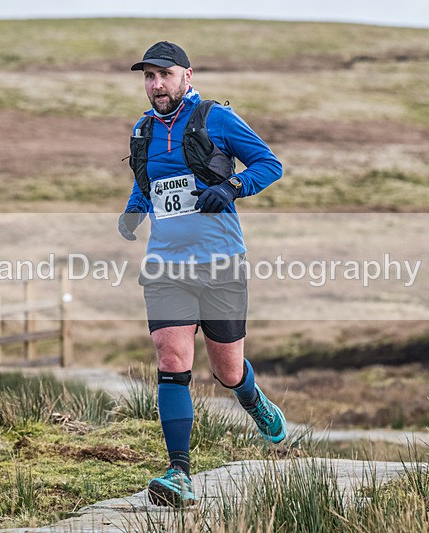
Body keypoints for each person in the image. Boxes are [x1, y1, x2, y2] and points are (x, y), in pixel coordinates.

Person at [118, 41, 287, 508]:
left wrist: (232, 187)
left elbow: (269, 165)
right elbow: (146, 185)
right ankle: (180, 474)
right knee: (172, 363)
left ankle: (252, 400)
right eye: (148, 77)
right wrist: (132, 213)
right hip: (166, 266)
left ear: (186, 76)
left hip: (221, 264)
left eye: (164, 75)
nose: (156, 85)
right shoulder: (142, 130)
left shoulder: (218, 119)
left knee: (227, 372)